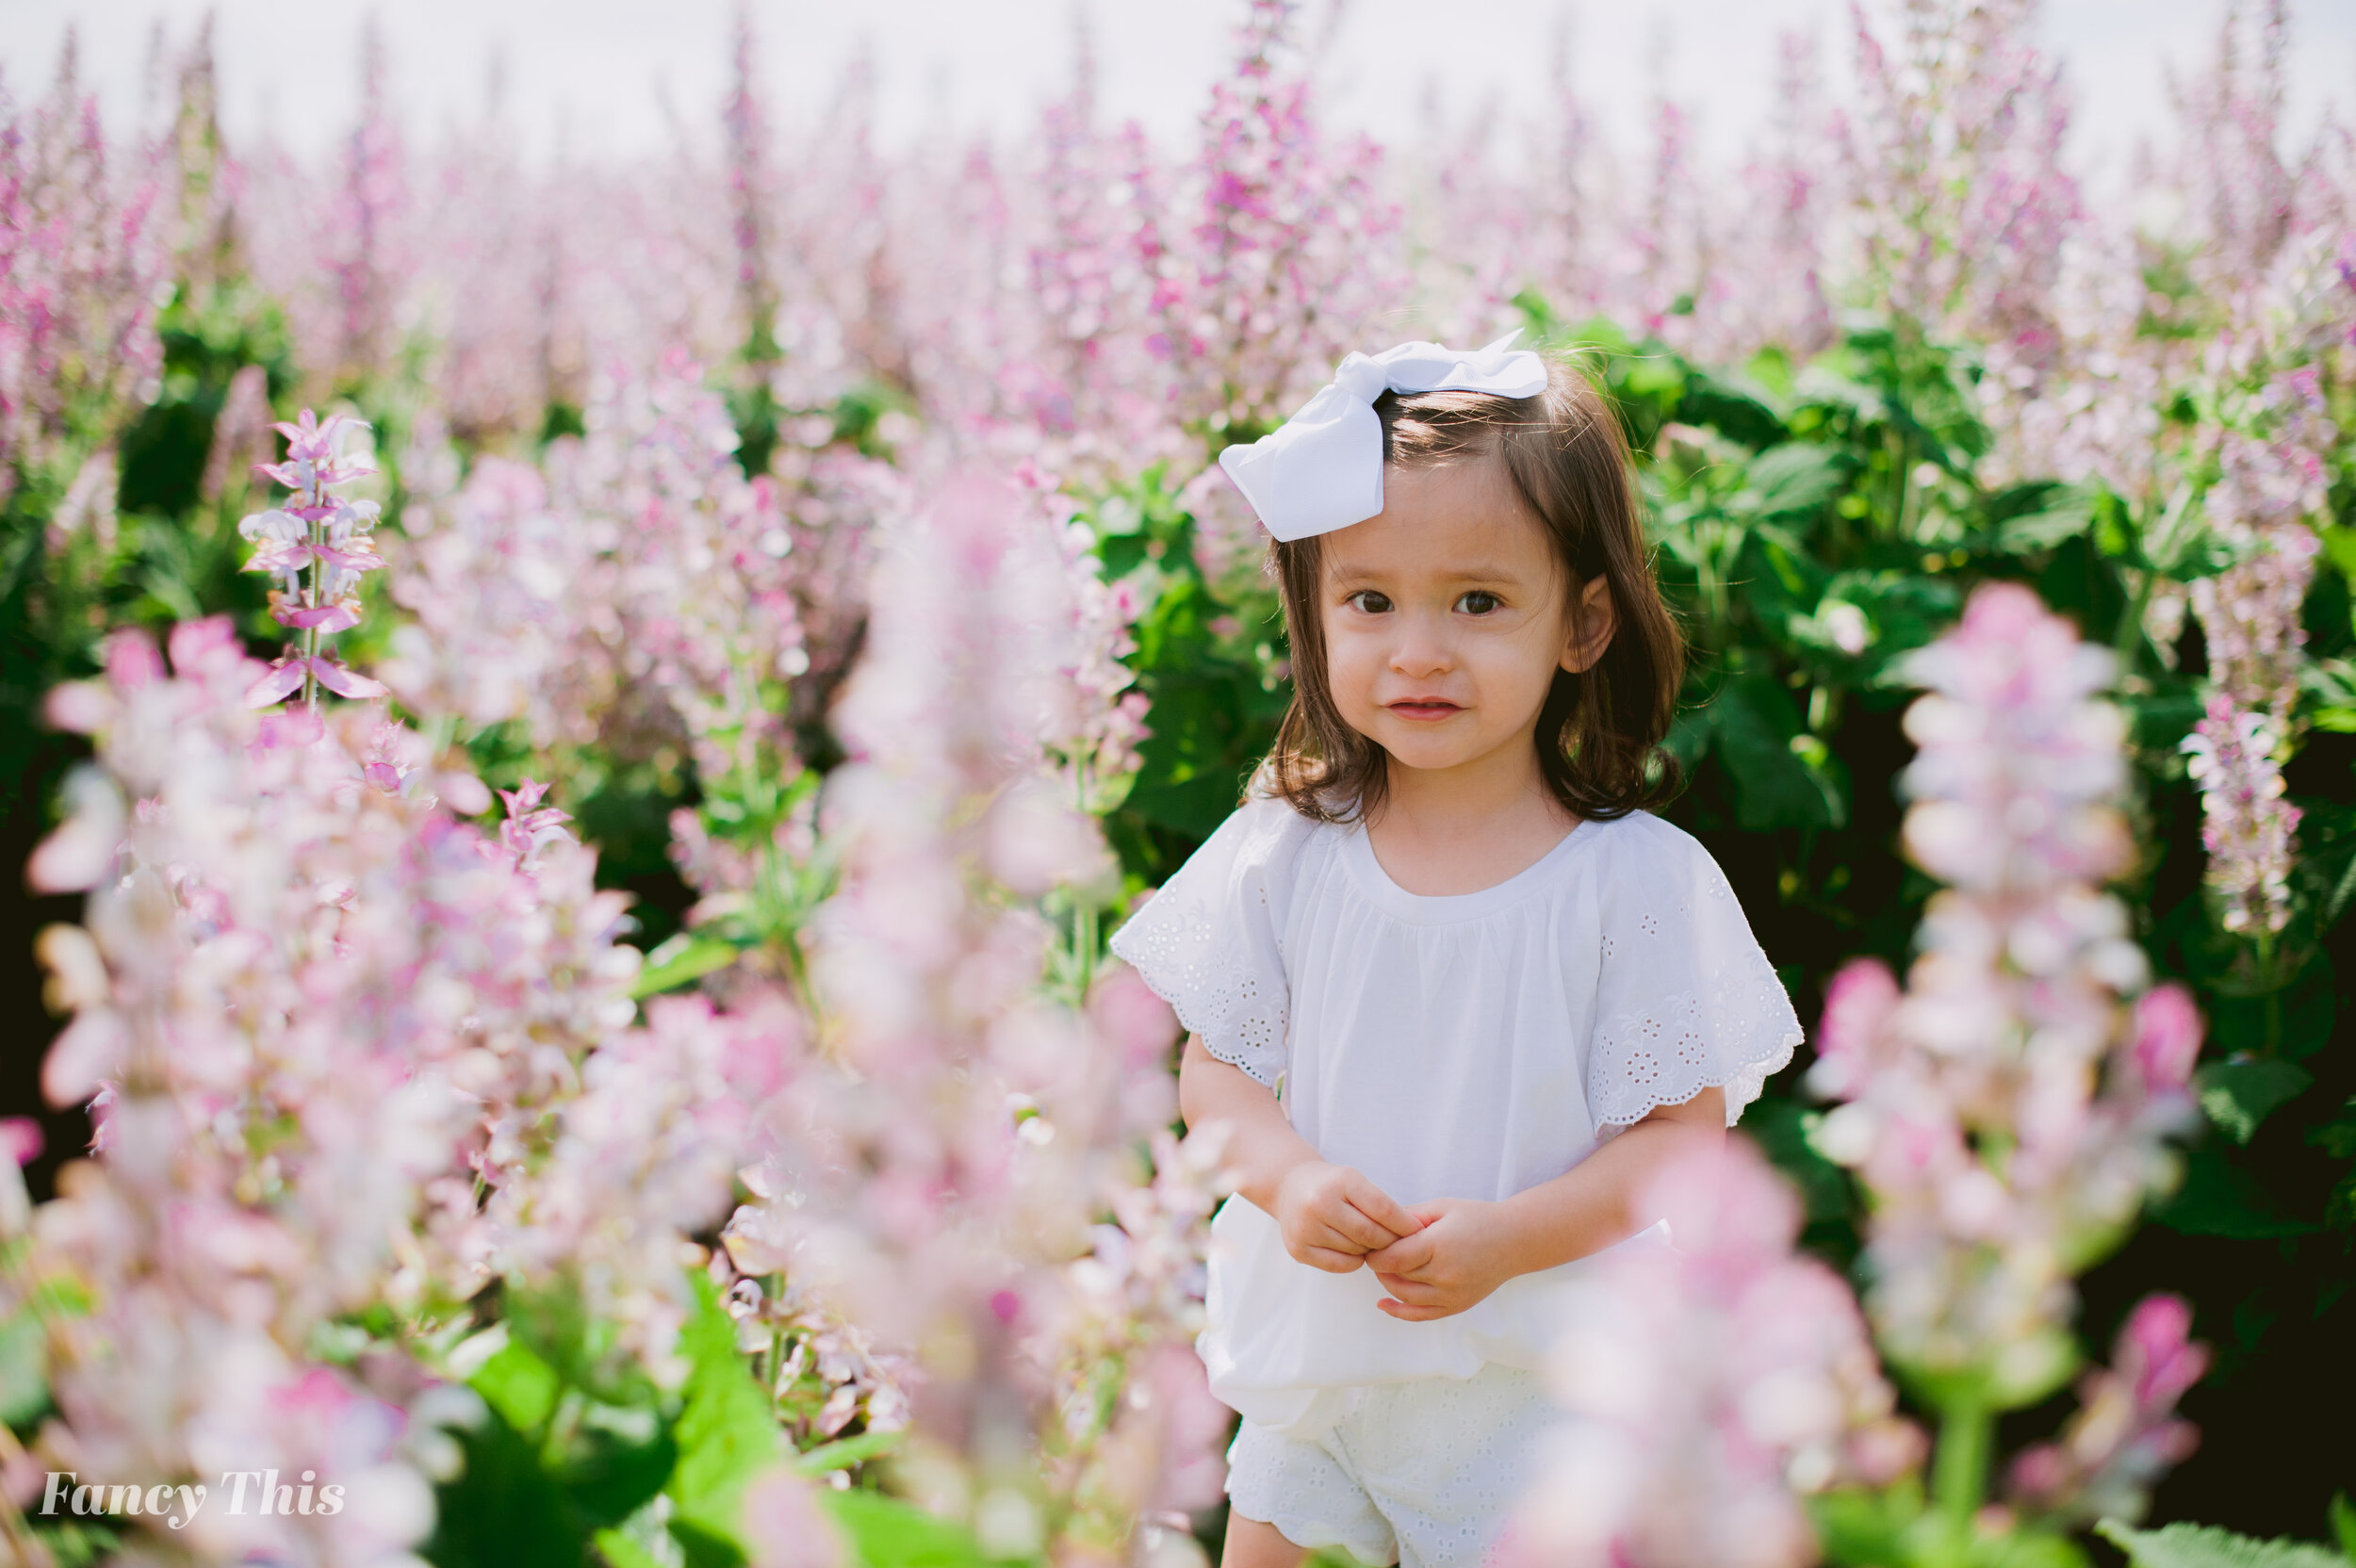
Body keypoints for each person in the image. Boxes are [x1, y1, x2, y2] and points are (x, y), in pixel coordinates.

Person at [1106, 333, 1804, 1568]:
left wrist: (1508, 1239)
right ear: (1314, 614)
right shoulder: (1287, 847)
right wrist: (1289, 1180)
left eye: (1478, 602)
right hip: (1324, 1362)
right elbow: (1213, 1076)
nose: (1418, 647)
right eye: (1370, 601)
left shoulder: (1632, 882)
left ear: (1583, 624)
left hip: (1535, 1377)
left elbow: (1678, 1145)